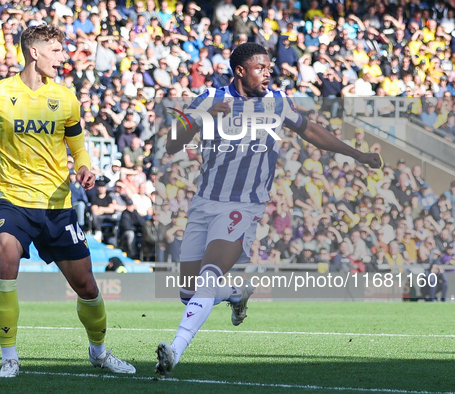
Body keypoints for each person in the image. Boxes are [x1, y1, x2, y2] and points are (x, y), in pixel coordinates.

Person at [155, 43, 381, 377]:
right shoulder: (208, 98)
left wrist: (357, 154)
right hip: (204, 203)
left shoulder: (277, 102)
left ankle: (175, 350)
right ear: (241, 71)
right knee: (188, 293)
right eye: (261, 67)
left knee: (208, 274)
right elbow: (172, 143)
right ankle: (236, 293)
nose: (268, 73)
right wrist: (204, 117)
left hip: (243, 205)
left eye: (270, 67)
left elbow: (313, 132)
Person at [0, 25, 135, 378]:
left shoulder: (66, 99)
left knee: (87, 286)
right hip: (12, 202)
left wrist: (85, 167)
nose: (63, 57)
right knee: (6, 257)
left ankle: (100, 352)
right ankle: (9, 358)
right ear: (34, 52)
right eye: (57, 50)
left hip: (57, 207)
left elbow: (78, 147)